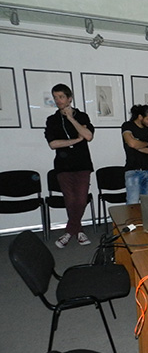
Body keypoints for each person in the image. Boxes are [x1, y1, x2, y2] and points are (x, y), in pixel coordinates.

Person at [44, 84, 94, 248]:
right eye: (55, 97)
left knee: (81, 199)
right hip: (63, 166)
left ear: (69, 98)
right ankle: (78, 231)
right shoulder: (52, 120)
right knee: (70, 200)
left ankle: (69, 231)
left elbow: (88, 135)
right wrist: (76, 140)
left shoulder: (82, 116)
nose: (58, 100)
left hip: (82, 164)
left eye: (61, 97)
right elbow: (53, 144)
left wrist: (71, 118)